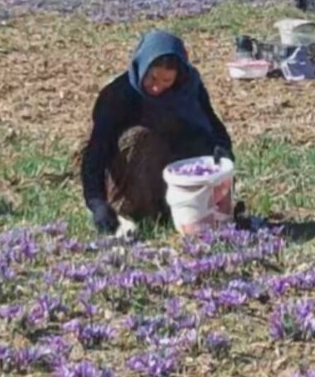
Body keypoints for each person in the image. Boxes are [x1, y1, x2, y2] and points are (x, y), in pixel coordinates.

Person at [81, 29, 233, 235]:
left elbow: (212, 124)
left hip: (172, 163)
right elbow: (95, 153)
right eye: (151, 78)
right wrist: (96, 203)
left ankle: (178, 208)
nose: (156, 88)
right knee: (141, 137)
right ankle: (135, 212)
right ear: (142, 67)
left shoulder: (188, 87)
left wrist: (223, 151)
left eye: (166, 81)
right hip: (132, 170)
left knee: (198, 141)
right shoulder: (118, 96)